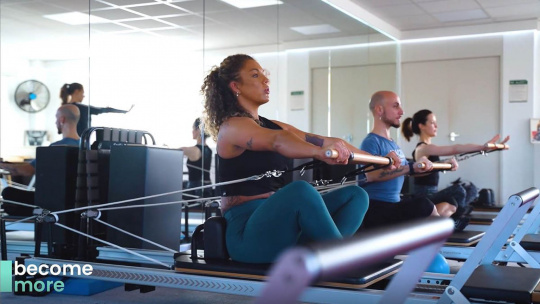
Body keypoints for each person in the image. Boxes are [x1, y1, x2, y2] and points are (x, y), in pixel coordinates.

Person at [202, 54, 399, 264]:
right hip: (248, 235)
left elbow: (325, 140)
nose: (266, 80)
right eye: (255, 75)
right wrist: (317, 153)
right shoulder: (232, 127)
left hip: (282, 228)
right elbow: (277, 141)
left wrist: (376, 159)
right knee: (300, 191)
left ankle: (329, 255)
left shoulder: (273, 124)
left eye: (264, 75)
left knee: (356, 196)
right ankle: (342, 258)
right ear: (235, 86)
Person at [359, 91, 454, 230]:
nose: (402, 111)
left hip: (394, 203)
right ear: (380, 109)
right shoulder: (371, 142)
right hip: (377, 208)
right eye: (396, 106)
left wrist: (441, 166)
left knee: (448, 200)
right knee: (424, 206)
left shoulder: (392, 143)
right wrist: (410, 168)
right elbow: (370, 175)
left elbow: (405, 171)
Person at [401, 109, 509, 217]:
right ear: (421, 126)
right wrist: (482, 146)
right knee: (458, 190)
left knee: (472, 190)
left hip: (433, 192)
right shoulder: (422, 148)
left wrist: (488, 148)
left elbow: (456, 149)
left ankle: (459, 212)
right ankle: (458, 217)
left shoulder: (428, 147)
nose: (436, 126)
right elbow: (455, 148)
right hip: (424, 195)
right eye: (432, 123)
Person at [0, 104, 81, 177]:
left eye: (56, 118)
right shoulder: (83, 145)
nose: (55, 122)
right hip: (73, 193)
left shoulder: (56, 148)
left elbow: (27, 171)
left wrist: (2, 165)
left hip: (51, 193)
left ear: (62, 120)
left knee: (7, 191)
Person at [60, 83, 130, 136]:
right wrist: (123, 111)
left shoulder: (64, 108)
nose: (83, 96)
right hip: (80, 141)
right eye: (82, 93)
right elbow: (100, 110)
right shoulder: (81, 107)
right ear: (76, 91)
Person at [179, 118, 213, 198]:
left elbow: (171, 153)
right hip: (208, 188)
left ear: (198, 130)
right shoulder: (209, 150)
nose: (192, 131)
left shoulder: (194, 150)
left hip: (195, 192)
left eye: (193, 128)